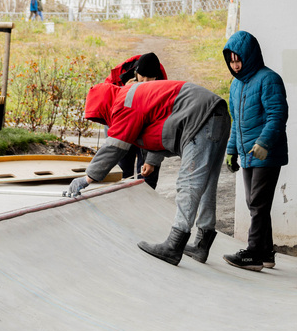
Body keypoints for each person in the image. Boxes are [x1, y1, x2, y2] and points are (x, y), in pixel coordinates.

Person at [64, 78, 230, 266]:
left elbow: (115, 146)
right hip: (215, 113)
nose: (103, 121)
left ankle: (174, 246)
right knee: (207, 183)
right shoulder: (131, 97)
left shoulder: (123, 104)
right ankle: (201, 244)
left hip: (200, 117)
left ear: (103, 105)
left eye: (100, 117)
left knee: (188, 183)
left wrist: (87, 178)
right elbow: (157, 123)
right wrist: (152, 161)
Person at [219, 30, 289, 272]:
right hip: (248, 154)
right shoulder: (236, 86)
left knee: (257, 203)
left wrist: (264, 143)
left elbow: (277, 116)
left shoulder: (269, 79)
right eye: (232, 60)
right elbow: (235, 121)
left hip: (266, 154)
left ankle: (253, 254)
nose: (235, 65)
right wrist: (231, 150)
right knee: (255, 203)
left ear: (250, 56)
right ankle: (266, 252)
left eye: (239, 59)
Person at [103, 52, 167, 189]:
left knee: (148, 176)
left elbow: (162, 126)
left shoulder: (164, 87)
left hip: (147, 131)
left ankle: (146, 204)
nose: (145, 82)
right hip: (124, 130)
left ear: (156, 77)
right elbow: (108, 115)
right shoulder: (117, 80)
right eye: (142, 77)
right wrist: (124, 92)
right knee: (123, 174)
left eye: (150, 78)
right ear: (135, 73)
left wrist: (152, 161)